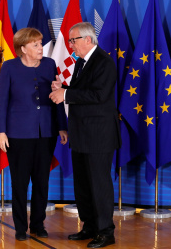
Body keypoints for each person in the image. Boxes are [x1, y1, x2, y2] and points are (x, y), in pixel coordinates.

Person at [49, 22, 121, 248]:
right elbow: (83, 93)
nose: (71, 45)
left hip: (99, 136)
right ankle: (89, 226)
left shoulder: (104, 62)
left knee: (99, 185)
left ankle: (105, 232)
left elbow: (98, 95)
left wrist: (66, 94)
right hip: (81, 134)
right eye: (70, 41)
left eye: (73, 40)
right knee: (83, 185)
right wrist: (63, 87)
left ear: (87, 40)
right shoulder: (82, 62)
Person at [0, 27, 68, 241]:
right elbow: (2, 102)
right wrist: (1, 131)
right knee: (19, 182)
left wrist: (61, 126)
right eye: (35, 44)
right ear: (23, 48)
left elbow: (57, 96)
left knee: (41, 181)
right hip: (18, 134)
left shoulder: (49, 64)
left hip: (46, 132)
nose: (40, 47)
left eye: (40, 43)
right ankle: (20, 227)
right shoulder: (9, 67)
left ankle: (38, 224)